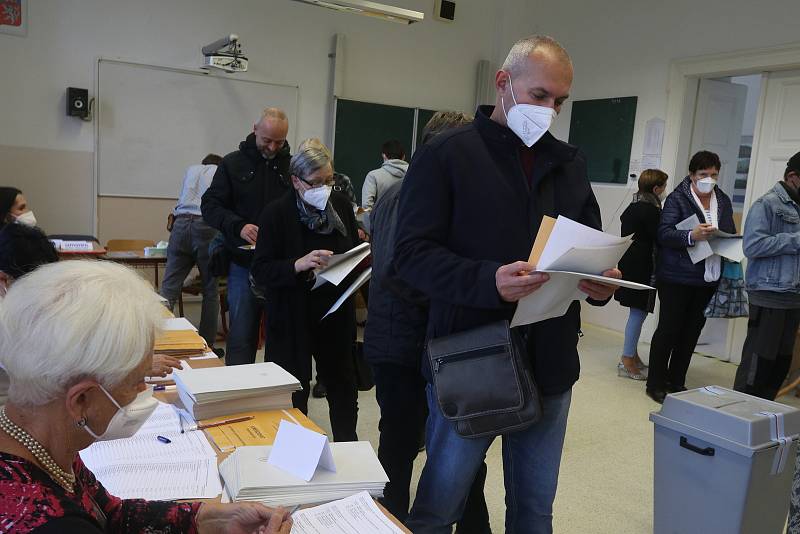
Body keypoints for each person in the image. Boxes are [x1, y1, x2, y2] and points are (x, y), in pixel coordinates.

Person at [394, 36, 620, 533]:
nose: (549, 110)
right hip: (472, 355)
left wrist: (600, 282)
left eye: (559, 101)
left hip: (552, 355)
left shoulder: (569, 163)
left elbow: (586, 245)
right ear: (504, 83)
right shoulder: (447, 156)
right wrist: (486, 280)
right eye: (539, 96)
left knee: (535, 510)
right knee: (438, 506)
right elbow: (409, 256)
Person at [0, 260, 292, 533]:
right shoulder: (49, 523)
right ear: (81, 401)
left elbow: (110, 514)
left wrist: (207, 518)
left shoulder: (43, 442)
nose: (144, 391)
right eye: (137, 381)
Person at [365, 110, 492, 529]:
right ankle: (391, 524)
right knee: (400, 448)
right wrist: (470, 290)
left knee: (461, 449)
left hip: (437, 343)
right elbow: (398, 273)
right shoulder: (405, 197)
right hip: (403, 343)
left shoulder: (439, 194)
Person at [251, 140, 360, 442]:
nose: (324, 188)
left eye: (329, 180)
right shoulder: (276, 213)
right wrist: (297, 265)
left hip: (334, 312)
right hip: (291, 316)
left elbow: (350, 250)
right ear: (296, 181)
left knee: (343, 390)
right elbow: (261, 270)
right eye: (316, 182)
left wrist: (356, 262)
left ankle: (346, 452)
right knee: (293, 393)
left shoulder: (339, 206)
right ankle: (297, 459)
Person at [202, 108, 291, 366]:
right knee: (241, 337)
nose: (273, 147)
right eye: (267, 140)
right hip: (243, 264)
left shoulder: (291, 166)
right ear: (255, 130)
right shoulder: (232, 163)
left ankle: (276, 397)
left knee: (282, 339)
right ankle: (237, 397)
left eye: (279, 142)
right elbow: (210, 206)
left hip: (281, 266)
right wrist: (238, 226)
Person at [646, 150, 736, 404]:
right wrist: (691, 236)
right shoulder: (677, 198)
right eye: (703, 174)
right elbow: (663, 234)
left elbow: (729, 230)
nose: (709, 179)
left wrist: (726, 238)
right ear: (692, 175)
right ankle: (655, 383)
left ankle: (676, 380)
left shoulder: (723, 200)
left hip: (707, 275)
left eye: (713, 174)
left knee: (691, 331)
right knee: (669, 329)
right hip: (676, 275)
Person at [733, 151, 800, 400]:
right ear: (793, 177)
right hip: (769, 295)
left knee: (779, 366)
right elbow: (753, 246)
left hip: (794, 297)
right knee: (757, 367)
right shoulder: (767, 204)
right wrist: (796, 239)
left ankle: (762, 420)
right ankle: (738, 419)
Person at [160, 154, 223, 351]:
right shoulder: (219, 172)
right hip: (205, 226)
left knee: (168, 289)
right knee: (211, 290)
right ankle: (207, 346)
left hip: (180, 224)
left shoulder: (190, 170)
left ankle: (157, 339)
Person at [614, 169, 668, 380]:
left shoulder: (633, 205)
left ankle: (632, 354)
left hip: (630, 262)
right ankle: (627, 359)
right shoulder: (651, 210)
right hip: (643, 265)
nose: (665, 191)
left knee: (636, 311)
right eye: (664, 186)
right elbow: (660, 237)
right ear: (656, 189)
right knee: (638, 312)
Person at [361, 140, 408, 210]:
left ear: (384, 155)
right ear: (403, 157)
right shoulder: (414, 175)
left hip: (379, 220)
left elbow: (366, 206)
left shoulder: (373, 176)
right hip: (406, 220)